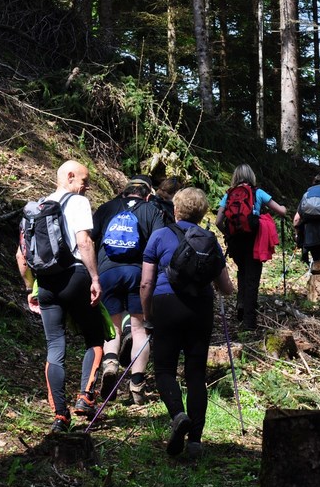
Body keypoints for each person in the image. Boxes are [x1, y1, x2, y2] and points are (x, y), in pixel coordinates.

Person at [140, 187, 234, 458]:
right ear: (203, 212)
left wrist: (147, 317)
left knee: (165, 369)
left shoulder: (159, 236)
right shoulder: (210, 240)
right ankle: (195, 441)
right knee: (195, 374)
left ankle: (178, 414)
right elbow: (226, 287)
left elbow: (146, 282)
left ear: (176, 209)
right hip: (200, 309)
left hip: (166, 305)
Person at [15, 160, 104, 433]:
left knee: (55, 345)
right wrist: (95, 278)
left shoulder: (35, 208)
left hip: (47, 283)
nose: (87, 186)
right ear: (69, 176)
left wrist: (31, 288)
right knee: (95, 336)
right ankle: (85, 397)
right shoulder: (77, 203)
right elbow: (84, 242)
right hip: (75, 276)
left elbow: (21, 256)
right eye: (84, 180)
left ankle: (59, 416)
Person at [92, 175, 165, 405]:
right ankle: (136, 386)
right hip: (138, 274)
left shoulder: (107, 208)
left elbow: (89, 239)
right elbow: (159, 245)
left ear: (124, 191)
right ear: (147, 194)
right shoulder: (152, 211)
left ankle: (111, 364)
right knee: (139, 329)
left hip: (107, 272)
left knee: (112, 327)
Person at [216, 164, 287, 330]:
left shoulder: (229, 194)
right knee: (252, 279)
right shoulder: (257, 192)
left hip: (235, 242)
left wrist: (228, 234)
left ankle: (241, 305)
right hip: (254, 240)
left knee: (242, 272)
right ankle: (249, 322)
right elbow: (281, 211)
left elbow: (218, 221)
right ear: (251, 176)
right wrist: (284, 208)